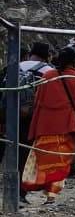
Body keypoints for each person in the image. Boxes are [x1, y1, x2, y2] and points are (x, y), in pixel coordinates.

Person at [24, 46, 75, 204]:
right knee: (61, 162)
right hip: (67, 126)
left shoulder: (48, 76)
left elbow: (38, 103)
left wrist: (34, 127)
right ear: (74, 61)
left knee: (46, 160)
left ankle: (36, 189)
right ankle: (51, 195)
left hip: (45, 125)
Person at [3, 43, 54, 196]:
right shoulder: (48, 70)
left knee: (11, 148)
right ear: (47, 55)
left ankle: (10, 188)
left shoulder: (15, 66)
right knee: (25, 151)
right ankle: (20, 192)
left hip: (11, 114)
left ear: (31, 53)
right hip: (32, 116)